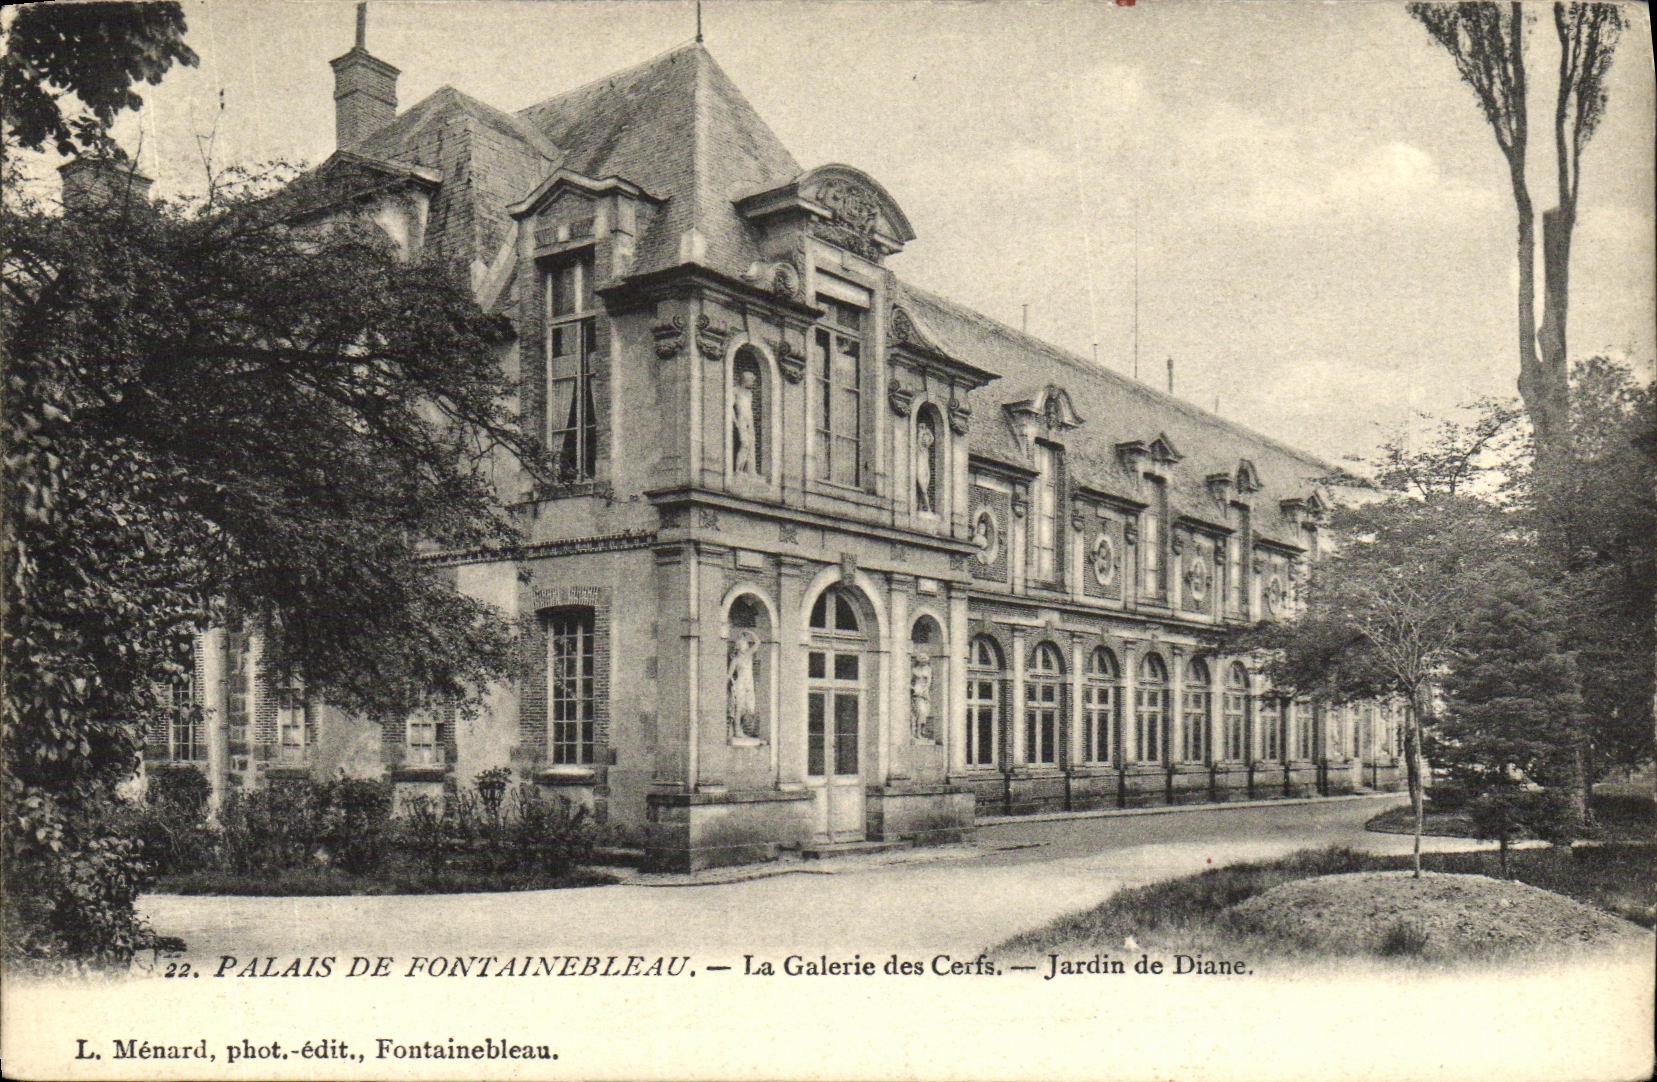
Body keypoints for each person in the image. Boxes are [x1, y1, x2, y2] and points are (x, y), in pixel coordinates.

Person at [727, 630, 760, 739]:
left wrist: (750, 632)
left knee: (750, 708)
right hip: (740, 683)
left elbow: (757, 642)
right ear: (738, 647)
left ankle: (746, 728)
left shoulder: (748, 655)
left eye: (746, 644)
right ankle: (737, 730)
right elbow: (729, 675)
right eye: (743, 644)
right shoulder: (735, 660)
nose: (745, 646)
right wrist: (730, 683)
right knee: (739, 707)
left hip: (749, 683)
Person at [732, 368, 758, 475]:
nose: (751, 383)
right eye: (750, 381)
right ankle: (738, 469)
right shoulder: (735, 390)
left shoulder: (749, 394)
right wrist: (735, 421)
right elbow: (729, 407)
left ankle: (751, 470)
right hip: (741, 419)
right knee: (744, 444)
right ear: (745, 380)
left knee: (751, 445)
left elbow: (749, 408)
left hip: (749, 420)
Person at [914, 421, 935, 512]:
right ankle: (927, 508)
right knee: (922, 487)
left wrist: (926, 432)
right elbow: (918, 443)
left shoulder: (926, 451)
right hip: (919, 467)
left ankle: (921, 507)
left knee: (923, 488)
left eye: (926, 439)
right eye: (923, 438)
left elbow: (932, 439)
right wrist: (921, 433)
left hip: (924, 468)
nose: (925, 440)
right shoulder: (918, 448)